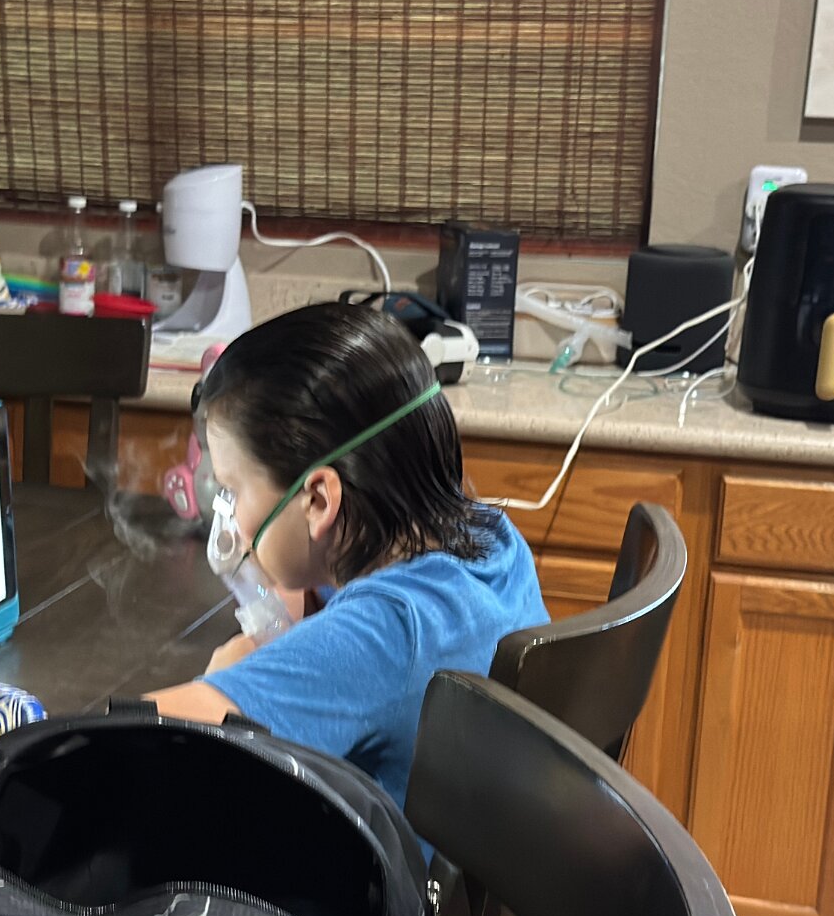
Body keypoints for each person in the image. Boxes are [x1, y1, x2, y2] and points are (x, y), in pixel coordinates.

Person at [150, 302, 548, 805]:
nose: (227, 513)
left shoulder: (382, 635)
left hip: (382, 859)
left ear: (318, 500)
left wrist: (225, 677)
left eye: (233, 489)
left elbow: (140, 744)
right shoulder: (493, 538)